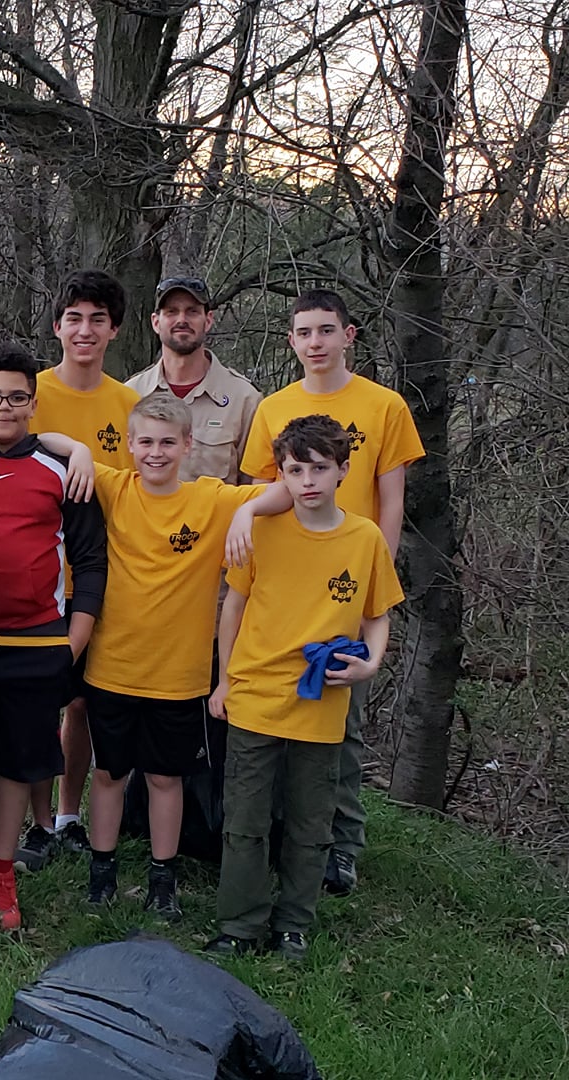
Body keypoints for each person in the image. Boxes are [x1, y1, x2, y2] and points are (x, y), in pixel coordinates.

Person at [239, 289, 425, 895]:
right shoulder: (274, 408)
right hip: (286, 583)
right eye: (302, 332)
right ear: (291, 341)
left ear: (349, 335)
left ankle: (340, 847)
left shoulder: (384, 405)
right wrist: (243, 516)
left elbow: (392, 497)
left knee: (342, 726)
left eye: (326, 330)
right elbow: (264, 493)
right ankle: (274, 842)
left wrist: (376, 578)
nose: (314, 342)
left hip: (347, 584)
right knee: (271, 724)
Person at [74, 395, 289, 920]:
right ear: (129, 445)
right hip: (112, 666)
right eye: (144, 441)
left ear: (188, 445)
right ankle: (102, 871)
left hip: (179, 675)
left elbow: (286, 491)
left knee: (166, 778)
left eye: (168, 442)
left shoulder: (212, 500)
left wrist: (247, 515)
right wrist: (80, 454)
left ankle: (161, 879)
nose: (155, 452)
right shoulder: (114, 488)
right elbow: (54, 444)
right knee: (107, 773)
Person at [209, 415, 402, 959]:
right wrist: (225, 679)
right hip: (255, 695)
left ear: (343, 469)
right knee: (245, 820)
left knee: (310, 820)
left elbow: (377, 614)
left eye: (319, 468)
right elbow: (234, 608)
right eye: (295, 470)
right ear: (282, 475)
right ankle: (239, 925)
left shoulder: (363, 538)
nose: (308, 481)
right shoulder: (261, 530)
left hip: (322, 701)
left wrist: (370, 665)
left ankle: (293, 922)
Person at [0, 342, 107, 929]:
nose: (4, 407)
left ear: (33, 403)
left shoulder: (63, 471)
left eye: (17, 397)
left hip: (37, 646)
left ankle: (1, 872)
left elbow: (90, 562)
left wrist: (71, 643)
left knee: (15, 764)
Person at [19, 269, 138, 871]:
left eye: (97, 319)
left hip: (109, 574)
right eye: (74, 319)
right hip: (39, 575)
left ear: (114, 329)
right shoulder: (30, 392)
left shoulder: (130, 403)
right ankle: (40, 822)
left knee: (87, 701)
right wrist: (77, 448)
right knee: (42, 699)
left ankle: (72, 814)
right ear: (58, 326)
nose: (84, 330)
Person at [125, 276, 262, 484]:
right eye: (171, 311)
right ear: (155, 322)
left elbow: (254, 489)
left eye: (192, 311)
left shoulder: (244, 400)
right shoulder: (130, 395)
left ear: (208, 320)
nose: (182, 320)